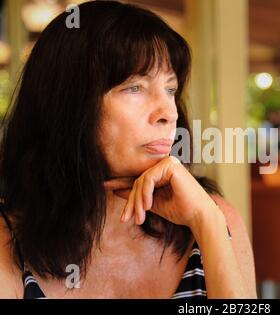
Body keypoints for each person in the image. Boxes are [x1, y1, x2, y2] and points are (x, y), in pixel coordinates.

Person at [0, 1, 256, 299]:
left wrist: (207, 223)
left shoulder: (214, 217)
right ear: (67, 106)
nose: (169, 113)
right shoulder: (8, 240)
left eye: (171, 90)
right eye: (135, 87)